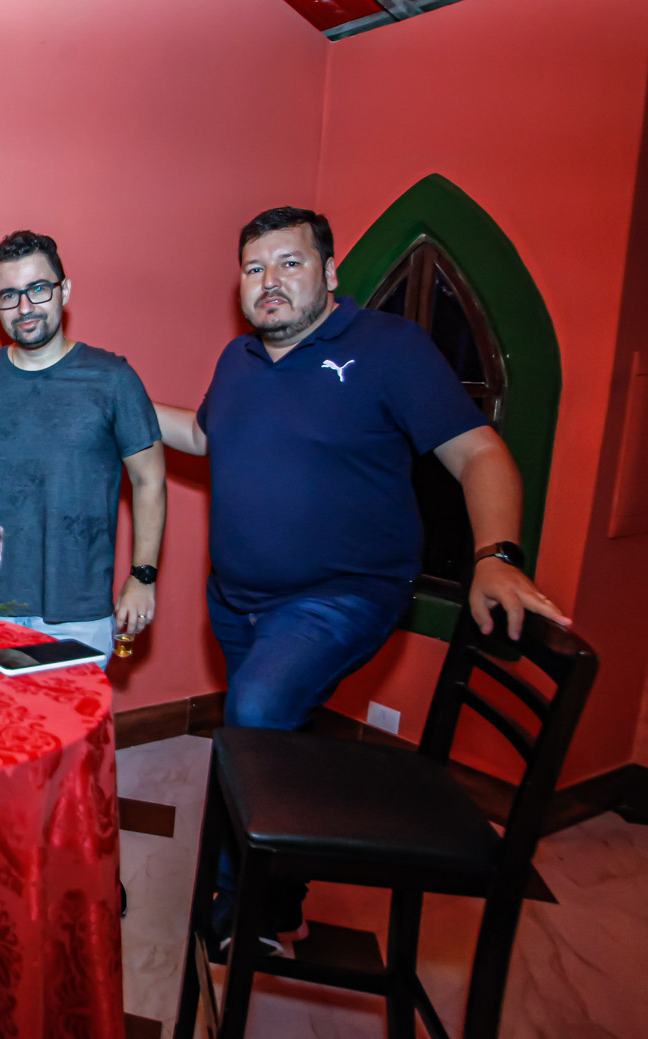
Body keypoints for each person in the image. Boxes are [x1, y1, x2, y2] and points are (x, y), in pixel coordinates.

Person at [153, 205, 570, 950]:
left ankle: (241, 907)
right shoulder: (237, 359)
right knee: (266, 742)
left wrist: (495, 556)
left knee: (254, 714)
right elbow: (203, 436)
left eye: (289, 262)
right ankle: (282, 898)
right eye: (253, 268)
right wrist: (117, 401)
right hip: (237, 602)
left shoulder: (389, 347)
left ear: (330, 271)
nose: (269, 280)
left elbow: (479, 453)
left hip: (341, 595)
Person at [0, 230, 167, 657]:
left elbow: (150, 480)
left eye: (38, 289)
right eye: (9, 295)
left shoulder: (113, 378)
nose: (25, 307)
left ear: (64, 291)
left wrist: (142, 577)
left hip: (80, 613)